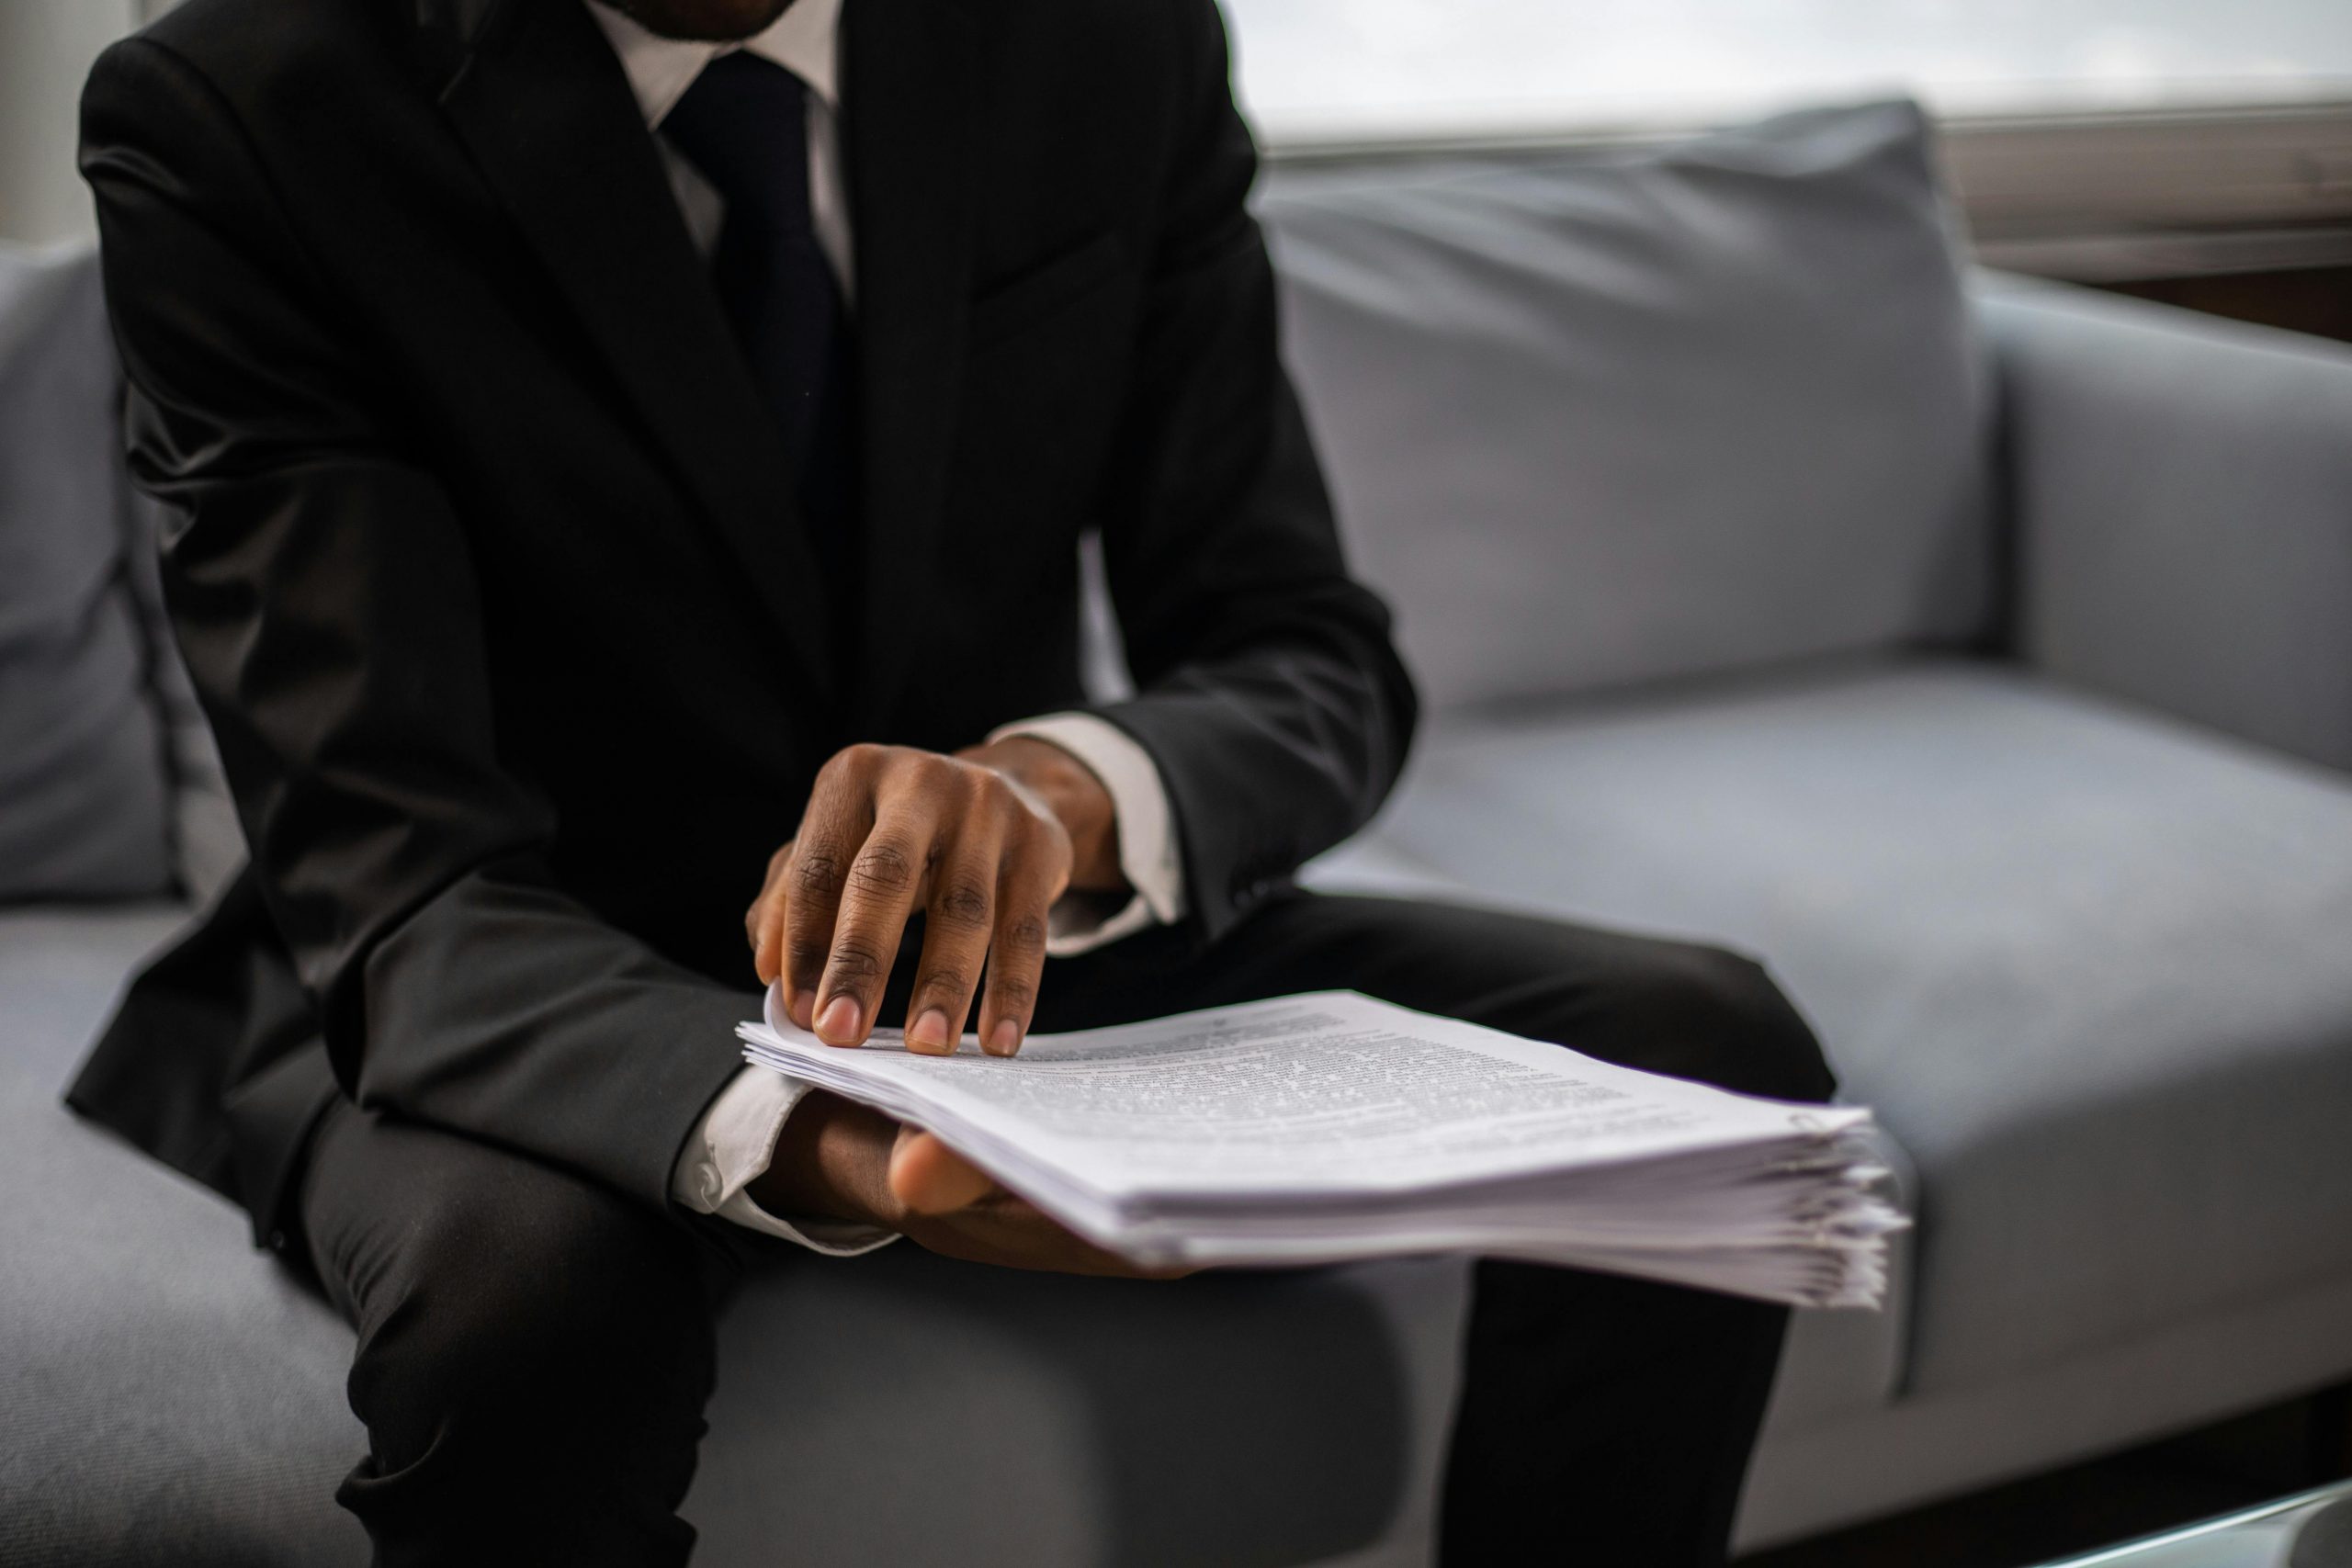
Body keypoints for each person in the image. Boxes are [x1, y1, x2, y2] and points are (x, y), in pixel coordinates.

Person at [69, 0, 1838, 1560]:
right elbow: (403, 872)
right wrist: (856, 1148)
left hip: (999, 951)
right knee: (529, 1320)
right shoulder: (246, 106)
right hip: (499, 973)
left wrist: (1054, 796)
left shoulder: (1104, 37)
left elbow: (1309, 654)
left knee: (1701, 1049)